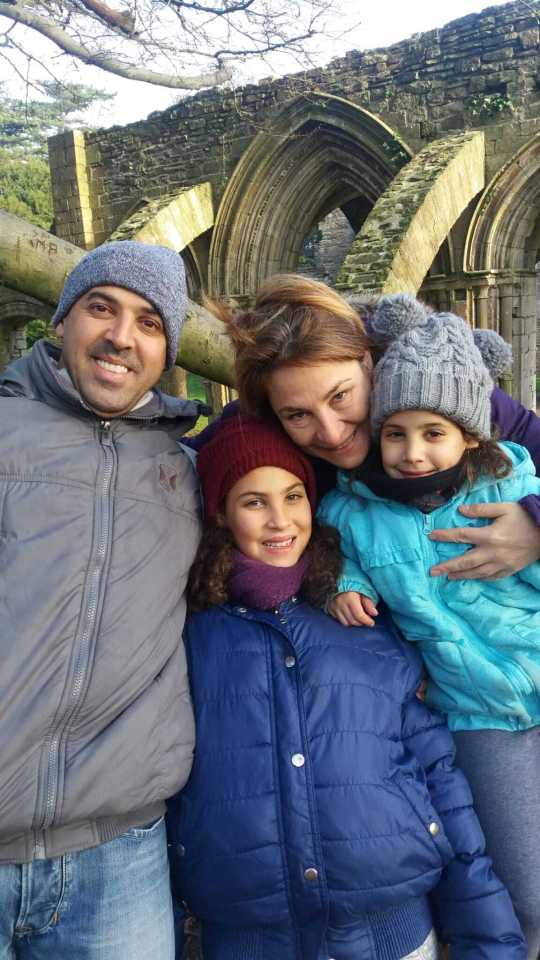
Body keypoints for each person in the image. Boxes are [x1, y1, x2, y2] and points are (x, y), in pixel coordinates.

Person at [167, 414, 526, 960]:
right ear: (220, 512)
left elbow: (437, 773)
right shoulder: (192, 635)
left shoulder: (362, 617)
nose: (280, 520)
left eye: (293, 496)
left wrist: (487, 936)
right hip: (252, 939)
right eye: (254, 502)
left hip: (394, 935)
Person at [317, 294, 540, 958]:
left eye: (434, 432)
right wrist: (345, 587)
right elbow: (347, 556)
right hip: (477, 716)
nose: (412, 453)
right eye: (396, 433)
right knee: (526, 888)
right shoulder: (352, 510)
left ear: (473, 434)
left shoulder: (510, 487)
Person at [0, 241, 204, 959]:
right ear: (61, 320)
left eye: (151, 322)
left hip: (117, 853)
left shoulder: (190, 471)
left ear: (169, 349)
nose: (122, 335)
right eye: (101, 307)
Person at [191, 274, 540, 579]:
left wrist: (534, 527)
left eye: (340, 395)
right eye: (298, 415)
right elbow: (181, 468)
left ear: (368, 361)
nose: (331, 433)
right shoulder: (261, 425)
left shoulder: (444, 393)